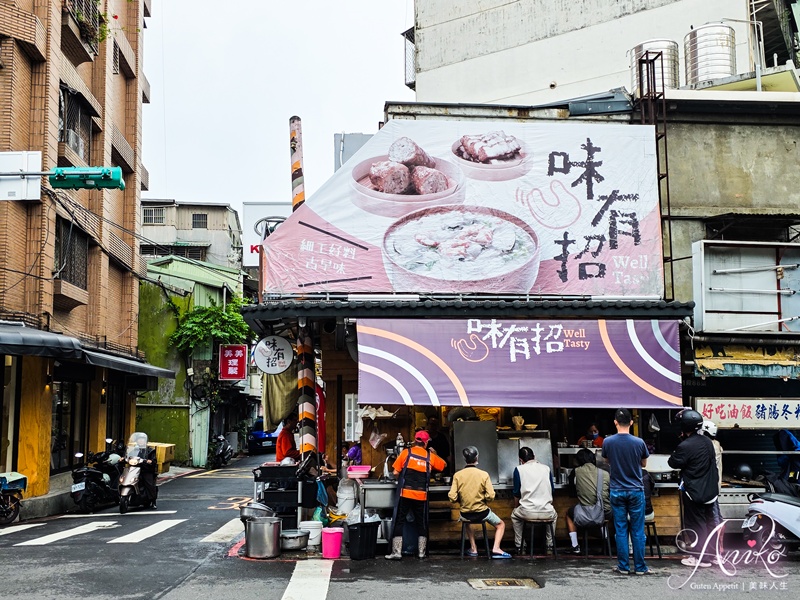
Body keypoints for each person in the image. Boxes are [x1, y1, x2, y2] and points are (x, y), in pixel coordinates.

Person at [602, 407, 653, 575]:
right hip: (635, 490)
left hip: (617, 490)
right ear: (631, 422)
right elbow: (644, 464)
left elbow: (607, 461)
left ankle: (623, 567)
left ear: (615, 422)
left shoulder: (608, 442)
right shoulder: (639, 442)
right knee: (637, 530)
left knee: (621, 529)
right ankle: (640, 567)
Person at [385, 430, 447, 560]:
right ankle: (421, 552)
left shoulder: (406, 453)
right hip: (421, 495)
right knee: (421, 522)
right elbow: (443, 466)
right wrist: (435, 454)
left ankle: (397, 552)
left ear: (415, 440)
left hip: (405, 493)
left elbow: (395, 472)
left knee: (399, 521)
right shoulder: (430, 456)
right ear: (426, 442)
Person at [669, 409, 720, 568]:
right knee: (710, 522)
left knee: (696, 524)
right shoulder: (707, 442)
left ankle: (700, 558)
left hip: (694, 491)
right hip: (710, 490)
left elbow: (673, 462)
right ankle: (713, 555)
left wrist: (681, 443)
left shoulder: (685, 445)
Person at [448, 446, 510, 558]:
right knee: (501, 524)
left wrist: (461, 500)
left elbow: (452, 497)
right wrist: (484, 499)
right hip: (483, 513)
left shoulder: (457, 475)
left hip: (465, 514)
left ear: (464, 459)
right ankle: (496, 548)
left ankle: (473, 548)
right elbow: (491, 496)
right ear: (477, 458)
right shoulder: (484, 474)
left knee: (467, 522)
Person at [511, 446, 556, 555]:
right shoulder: (546, 468)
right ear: (534, 456)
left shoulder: (519, 469)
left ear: (521, 460)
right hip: (547, 511)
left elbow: (516, 493)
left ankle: (520, 546)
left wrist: (516, 507)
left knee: (514, 516)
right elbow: (552, 490)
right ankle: (549, 545)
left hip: (527, 512)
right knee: (554, 516)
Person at [564, 448, 610, 555]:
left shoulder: (576, 472)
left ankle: (575, 546)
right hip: (605, 512)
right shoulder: (605, 473)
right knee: (602, 513)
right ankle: (606, 542)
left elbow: (572, 492)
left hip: (585, 513)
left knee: (568, 514)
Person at [126, 432, 158, 509]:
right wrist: (124, 458)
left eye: (142, 439)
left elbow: (154, 460)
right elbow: (129, 456)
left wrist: (150, 461)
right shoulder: (134, 450)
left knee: (149, 484)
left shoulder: (150, 450)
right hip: (135, 469)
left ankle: (153, 500)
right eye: (139, 439)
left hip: (146, 469)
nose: (141, 441)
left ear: (145, 441)